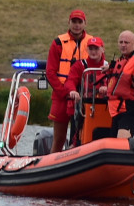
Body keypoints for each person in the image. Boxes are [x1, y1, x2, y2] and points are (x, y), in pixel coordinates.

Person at [46, 9, 93, 153]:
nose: (77, 25)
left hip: (84, 97)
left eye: (80, 22)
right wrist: (63, 92)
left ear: (85, 23)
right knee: (59, 138)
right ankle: (52, 165)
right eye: (74, 22)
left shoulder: (92, 42)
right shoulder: (58, 43)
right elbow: (50, 72)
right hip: (62, 96)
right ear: (69, 23)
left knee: (81, 138)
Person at [64, 35, 110, 146]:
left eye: (96, 48)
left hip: (105, 107)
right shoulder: (80, 65)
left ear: (102, 49)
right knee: (77, 127)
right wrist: (72, 91)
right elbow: (70, 81)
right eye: (91, 48)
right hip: (84, 107)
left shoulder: (109, 67)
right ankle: (75, 145)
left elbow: (117, 82)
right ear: (87, 49)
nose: (93, 51)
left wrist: (108, 89)